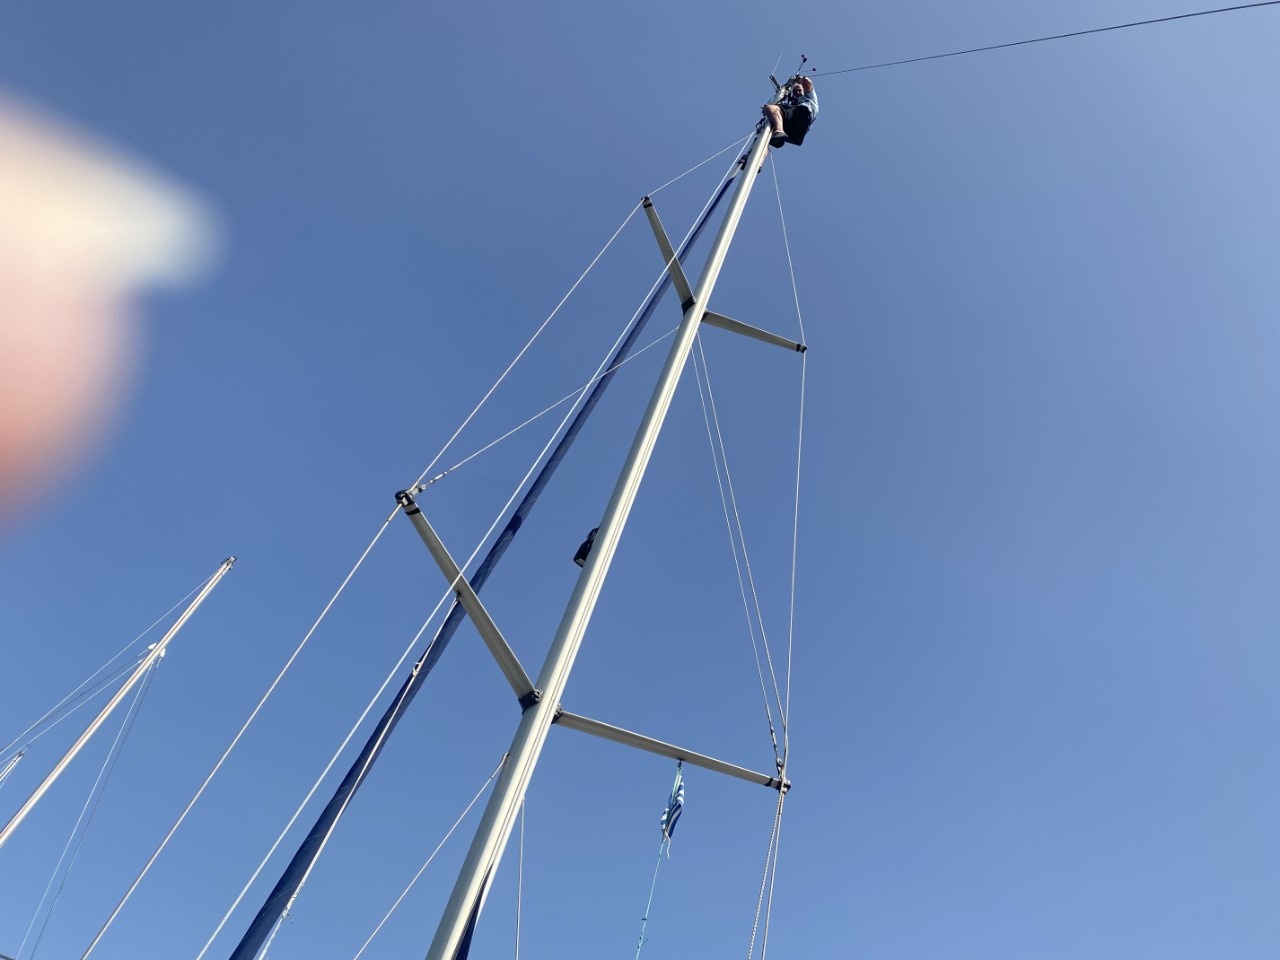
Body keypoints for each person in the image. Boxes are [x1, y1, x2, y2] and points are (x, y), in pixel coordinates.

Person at [762, 77, 818, 148]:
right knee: (767, 138)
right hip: (795, 132)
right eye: (795, 92)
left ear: (804, 90)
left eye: (799, 90)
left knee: (771, 108)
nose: (797, 92)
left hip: (804, 113)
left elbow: (807, 82)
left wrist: (799, 79)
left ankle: (779, 132)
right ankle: (777, 139)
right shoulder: (794, 104)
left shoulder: (810, 96)